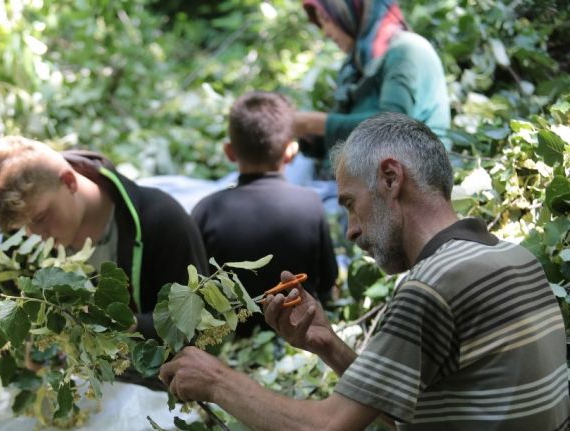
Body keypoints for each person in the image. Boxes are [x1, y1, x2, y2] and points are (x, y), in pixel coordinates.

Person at [159, 112, 569, 430]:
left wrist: (215, 379)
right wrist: (328, 345)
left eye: (350, 203)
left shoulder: (434, 286)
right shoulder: (516, 259)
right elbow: (413, 417)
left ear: (391, 179)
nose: (352, 230)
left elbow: (326, 426)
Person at [0, 136, 209, 338]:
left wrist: (127, 325)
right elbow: (2, 322)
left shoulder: (161, 220)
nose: (33, 236)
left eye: (40, 218)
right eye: (19, 228)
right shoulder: (22, 239)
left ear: (69, 181)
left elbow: (196, 326)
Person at [191, 91, 338, 336]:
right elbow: (326, 282)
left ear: (229, 152)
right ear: (291, 151)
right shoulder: (310, 204)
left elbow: (192, 294)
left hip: (226, 341)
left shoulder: (206, 210)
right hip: (298, 338)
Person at [294, 0, 451, 169]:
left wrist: (314, 123)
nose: (325, 32)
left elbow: (393, 127)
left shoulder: (407, 50)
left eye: (325, 19)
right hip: (365, 175)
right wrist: (310, 136)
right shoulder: (357, 63)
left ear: (349, 10)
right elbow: (349, 135)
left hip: (413, 175)